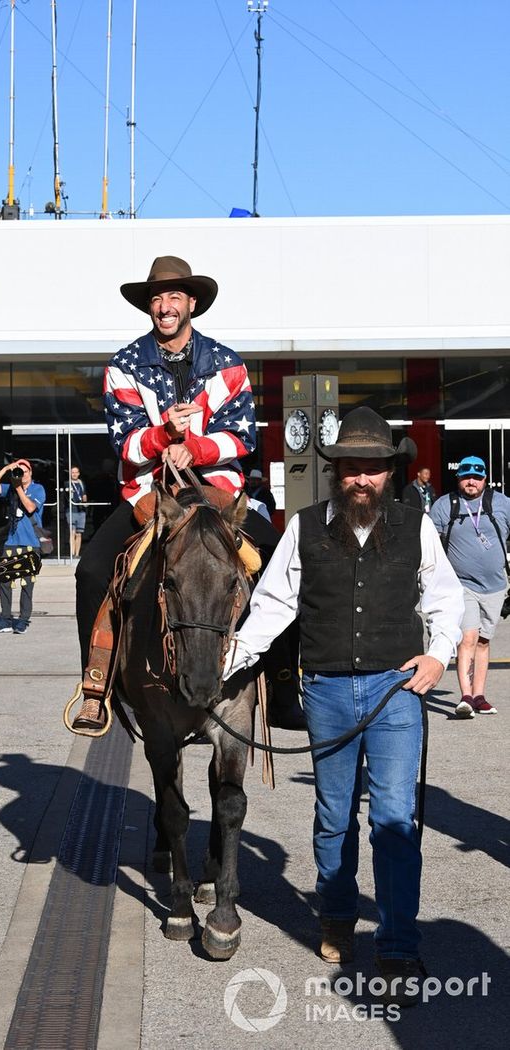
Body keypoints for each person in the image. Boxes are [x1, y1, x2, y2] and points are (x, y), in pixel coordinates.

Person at [223, 407, 463, 1007]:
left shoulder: (417, 526)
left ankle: (399, 941)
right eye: (352, 469)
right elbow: (273, 604)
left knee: (394, 818)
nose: (363, 480)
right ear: (337, 473)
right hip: (326, 690)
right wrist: (231, 664)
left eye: (373, 470)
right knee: (334, 815)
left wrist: (438, 656)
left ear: (390, 473)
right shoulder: (305, 527)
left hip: (396, 690)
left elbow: (445, 598)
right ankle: (334, 915)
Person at [71, 255, 296, 732]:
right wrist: (160, 438)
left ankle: (283, 684)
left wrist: (192, 448)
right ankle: (97, 687)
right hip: (149, 498)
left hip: (217, 494)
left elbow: (243, 437)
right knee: (91, 571)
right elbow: (124, 443)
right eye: (156, 298)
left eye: (174, 296)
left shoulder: (227, 364)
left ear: (192, 303)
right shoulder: (123, 366)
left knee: (282, 564)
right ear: (148, 307)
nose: (164, 306)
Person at [430, 455, 510, 718]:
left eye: (477, 476)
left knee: (484, 642)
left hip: (496, 586)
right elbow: (428, 542)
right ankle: (465, 697)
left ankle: (479, 696)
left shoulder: (502, 504)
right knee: (468, 639)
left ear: (485, 478)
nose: (471, 481)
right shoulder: (445, 506)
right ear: (458, 478)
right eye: (466, 476)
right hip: (462, 585)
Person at [0, 458, 46, 635]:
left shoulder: (37, 489)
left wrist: (18, 487)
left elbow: (29, 507)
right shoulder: (10, 488)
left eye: (25, 471)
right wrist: (6, 469)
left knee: (27, 584)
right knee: (5, 582)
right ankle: (5, 619)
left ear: (30, 473)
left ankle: (23, 620)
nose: (22, 474)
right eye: (19, 471)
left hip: (31, 543)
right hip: (11, 542)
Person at [66, 465, 87, 559]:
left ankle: (77, 554)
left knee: (79, 533)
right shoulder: (67, 484)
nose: (74, 474)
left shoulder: (81, 483)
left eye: (76, 472)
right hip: (71, 509)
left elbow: (84, 495)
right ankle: (72, 553)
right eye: (72, 472)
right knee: (72, 532)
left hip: (81, 510)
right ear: (70, 473)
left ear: (78, 473)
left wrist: (85, 502)